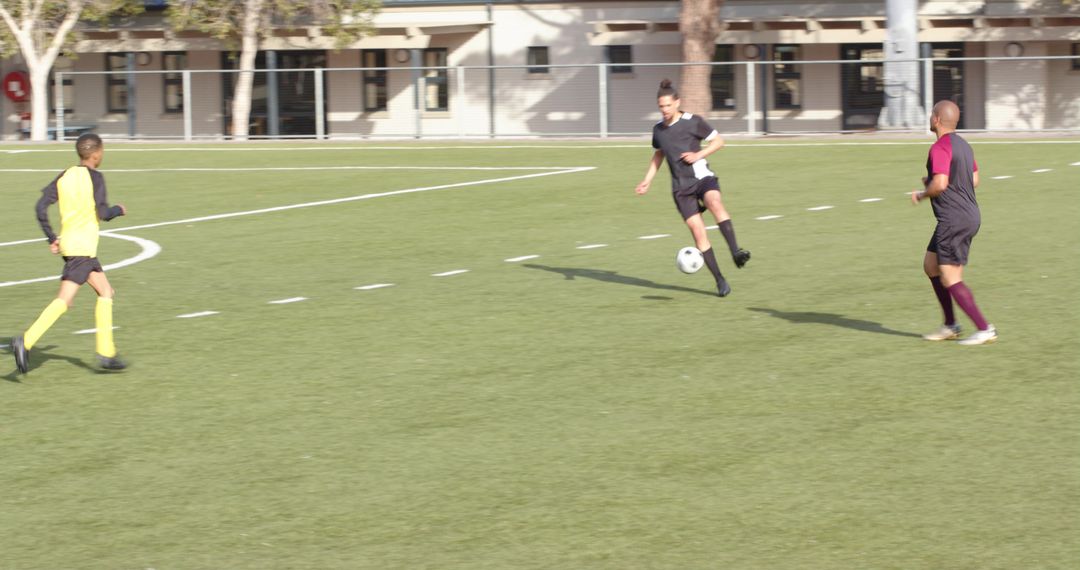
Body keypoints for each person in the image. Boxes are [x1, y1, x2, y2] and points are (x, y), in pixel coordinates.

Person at [12, 133, 128, 373]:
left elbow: (40, 207)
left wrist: (51, 237)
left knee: (106, 291)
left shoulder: (65, 175)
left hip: (74, 247)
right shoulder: (96, 177)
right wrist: (118, 209)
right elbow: (103, 214)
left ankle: (107, 353)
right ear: (97, 154)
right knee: (65, 299)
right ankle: (26, 341)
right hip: (82, 249)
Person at [635, 79, 750, 297]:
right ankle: (720, 280)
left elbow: (719, 141)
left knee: (714, 202)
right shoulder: (658, 130)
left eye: (668, 105)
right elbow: (659, 154)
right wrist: (647, 180)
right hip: (681, 189)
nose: (664, 110)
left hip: (702, 177)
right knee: (698, 232)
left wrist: (699, 154)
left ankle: (736, 251)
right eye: (661, 106)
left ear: (677, 102)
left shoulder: (693, 121)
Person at [912, 100, 996, 345]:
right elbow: (974, 179)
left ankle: (984, 329)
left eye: (932, 114)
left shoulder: (939, 147)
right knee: (931, 266)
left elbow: (940, 184)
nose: (930, 118)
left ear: (937, 119)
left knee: (950, 277)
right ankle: (950, 325)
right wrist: (935, 180)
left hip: (954, 219)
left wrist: (922, 193)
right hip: (967, 215)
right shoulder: (964, 145)